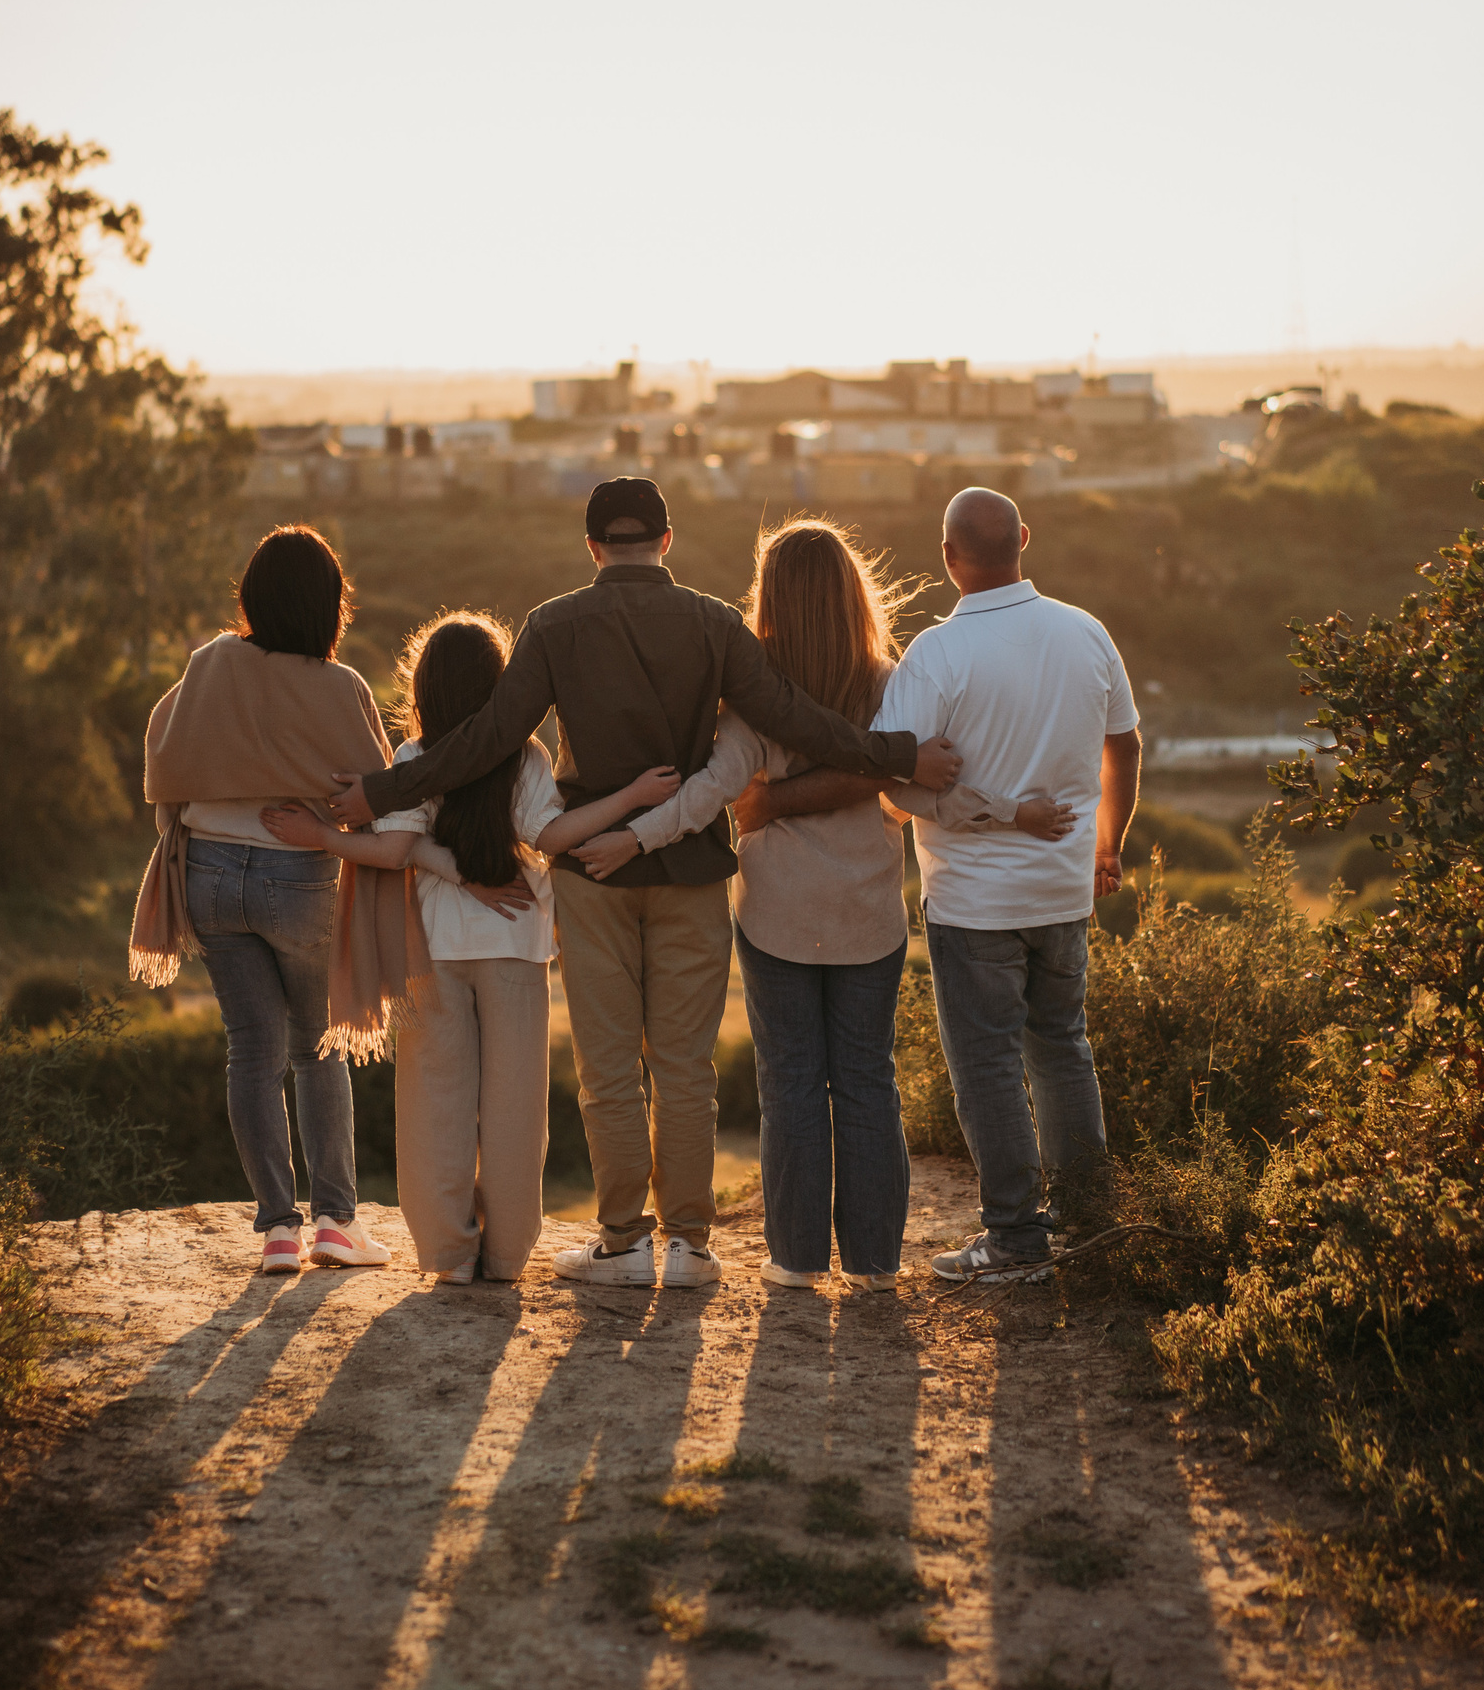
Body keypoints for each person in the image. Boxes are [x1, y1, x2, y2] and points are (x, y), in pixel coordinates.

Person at [325, 479, 963, 1291]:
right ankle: (690, 1246)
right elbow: (797, 720)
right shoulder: (716, 624)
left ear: (593, 547)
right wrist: (897, 755)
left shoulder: (554, 624)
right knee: (686, 1070)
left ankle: (624, 1242)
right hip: (691, 867)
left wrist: (380, 794)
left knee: (609, 1071)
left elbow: (486, 739)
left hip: (593, 871)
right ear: (667, 539)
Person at [575, 518, 1074, 1293]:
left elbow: (711, 794)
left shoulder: (754, 695)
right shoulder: (887, 681)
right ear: (853, 592)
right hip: (868, 917)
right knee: (868, 1080)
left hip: (774, 917)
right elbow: (920, 786)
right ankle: (874, 1264)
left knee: (792, 1083)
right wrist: (1012, 812)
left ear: (768, 597)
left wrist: (633, 838)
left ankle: (797, 1259)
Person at [735, 488, 1141, 1284]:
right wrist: (1107, 844)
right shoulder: (1087, 631)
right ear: (1023, 538)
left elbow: (898, 782)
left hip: (973, 903)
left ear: (950, 558)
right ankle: (1090, 1226)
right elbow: (1123, 742)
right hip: (1064, 891)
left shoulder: (937, 656)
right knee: (1063, 1049)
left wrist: (991, 815)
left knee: (985, 1065)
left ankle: (1017, 1238)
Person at [266, 611, 685, 1285]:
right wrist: (633, 796)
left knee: (437, 1102)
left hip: (435, 946)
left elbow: (393, 849)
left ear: (424, 687)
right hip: (517, 947)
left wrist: (321, 837)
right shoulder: (524, 757)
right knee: (517, 1108)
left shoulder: (414, 757)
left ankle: (450, 1256)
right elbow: (553, 838)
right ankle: (508, 1254)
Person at [128, 526, 429, 1277]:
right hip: (299, 876)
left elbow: (162, 757)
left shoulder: (208, 665)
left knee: (251, 1049)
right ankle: (334, 1219)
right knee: (315, 1044)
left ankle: (276, 1231)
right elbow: (373, 795)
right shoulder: (341, 686)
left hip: (208, 875)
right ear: (330, 606)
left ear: (252, 596)